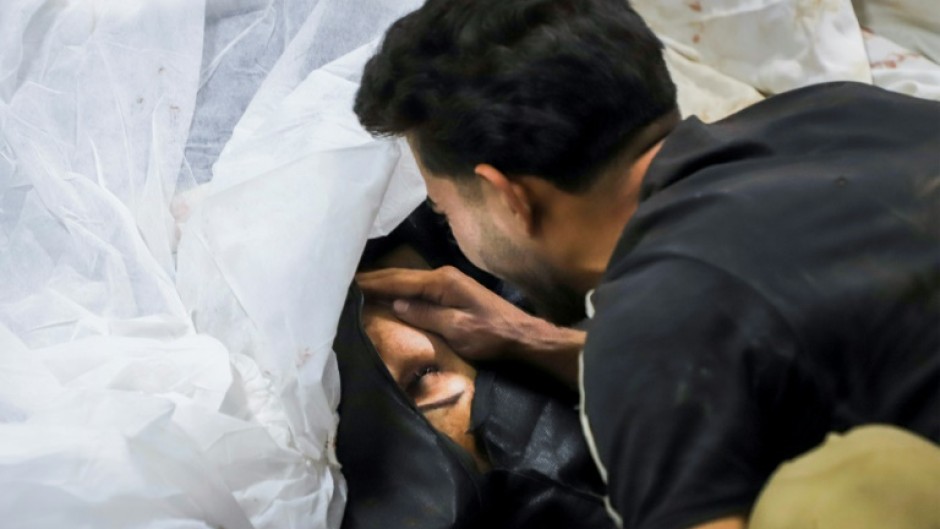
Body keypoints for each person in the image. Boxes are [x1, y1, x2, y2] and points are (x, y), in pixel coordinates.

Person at [352, 0, 940, 528]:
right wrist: (536, 342)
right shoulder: (836, 108)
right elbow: (785, 324)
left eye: (443, 205)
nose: (444, 220)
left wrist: (621, 362)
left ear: (509, 196)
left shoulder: (647, 338)